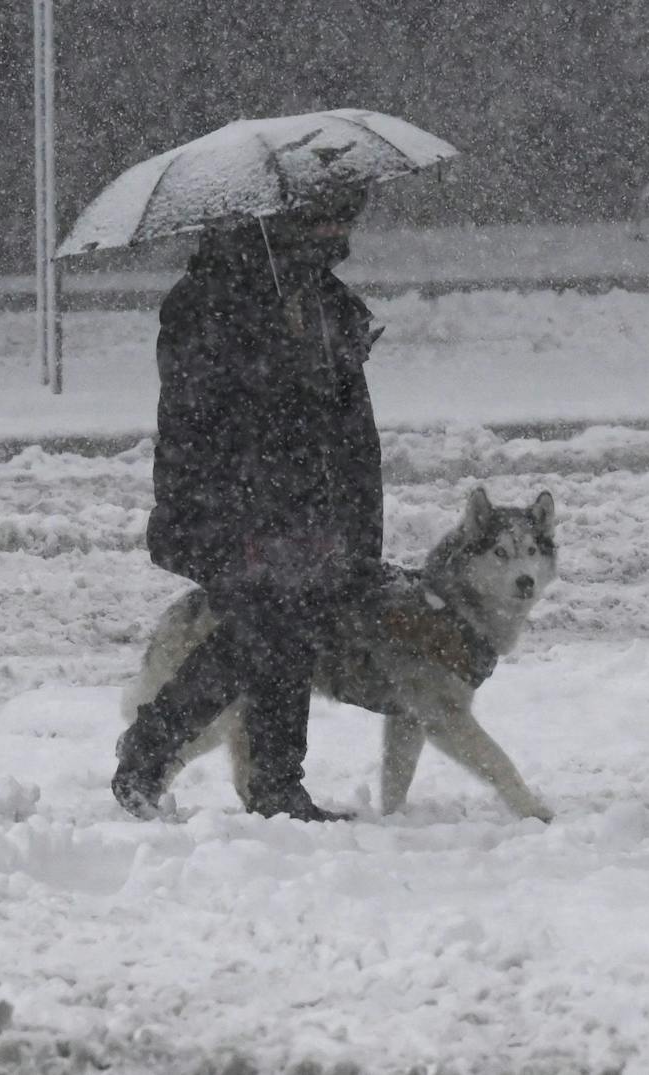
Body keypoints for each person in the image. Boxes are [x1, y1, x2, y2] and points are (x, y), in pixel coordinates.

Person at [112, 185, 384, 822]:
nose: (338, 234)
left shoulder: (319, 296)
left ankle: (269, 784)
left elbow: (343, 415)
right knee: (263, 631)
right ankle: (159, 751)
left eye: (345, 219)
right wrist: (274, 358)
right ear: (286, 222)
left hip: (304, 501)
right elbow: (203, 408)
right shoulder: (209, 298)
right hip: (230, 499)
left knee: (283, 633)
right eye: (326, 220)